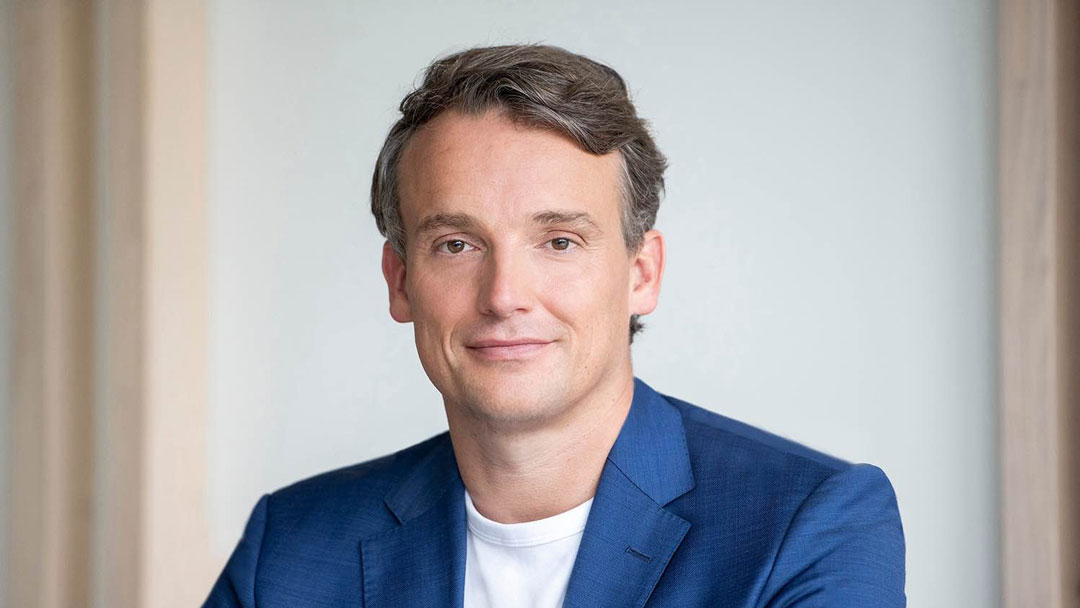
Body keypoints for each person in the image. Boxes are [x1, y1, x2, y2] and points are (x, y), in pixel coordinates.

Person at [203, 43, 906, 608]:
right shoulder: (289, 547)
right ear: (401, 280)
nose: (505, 295)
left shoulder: (808, 524)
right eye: (457, 244)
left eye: (560, 241)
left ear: (641, 274)